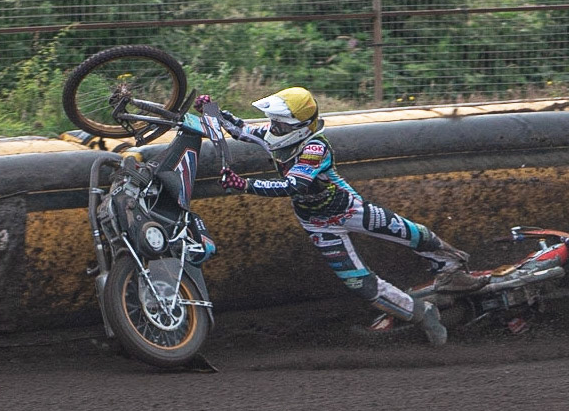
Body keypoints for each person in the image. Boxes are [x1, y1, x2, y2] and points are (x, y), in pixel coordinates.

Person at [194, 88, 481, 346]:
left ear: (300, 127)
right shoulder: (277, 138)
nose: (273, 128)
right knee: (360, 284)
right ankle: (422, 314)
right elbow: (241, 130)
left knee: (411, 232)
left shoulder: (316, 148)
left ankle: (452, 268)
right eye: (273, 122)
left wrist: (246, 185)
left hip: (349, 210)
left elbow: (295, 185)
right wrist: (214, 111)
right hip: (317, 224)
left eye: (280, 123)